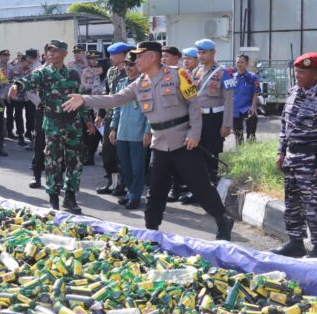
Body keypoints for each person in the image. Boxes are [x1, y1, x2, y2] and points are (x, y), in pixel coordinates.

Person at [62, 41, 234, 240]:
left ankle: (222, 221)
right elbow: (115, 99)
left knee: (200, 186)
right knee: (155, 190)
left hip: (183, 142)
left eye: (139, 56)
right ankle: (151, 231)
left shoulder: (178, 75)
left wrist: (194, 133)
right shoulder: (139, 83)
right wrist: (85, 99)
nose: (135, 60)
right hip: (159, 143)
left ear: (152, 57)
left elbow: (194, 104)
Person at [9, 40, 94, 214]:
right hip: (53, 124)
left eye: (55, 51)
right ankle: (53, 199)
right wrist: (17, 85)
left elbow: (81, 99)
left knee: (75, 162)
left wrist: (88, 120)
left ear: (64, 53)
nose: (51, 53)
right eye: (49, 50)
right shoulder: (42, 73)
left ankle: (70, 197)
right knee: (53, 162)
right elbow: (28, 80)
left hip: (73, 124)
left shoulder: (73, 74)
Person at [272, 53, 317, 261]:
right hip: (292, 157)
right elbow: (285, 125)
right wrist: (281, 151)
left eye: (302, 72)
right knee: (292, 204)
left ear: (316, 73)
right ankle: (295, 243)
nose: (298, 75)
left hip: (312, 160)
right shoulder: (293, 92)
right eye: (297, 71)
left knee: (316, 206)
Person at [109, 56, 151, 210]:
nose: (128, 68)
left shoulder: (146, 83)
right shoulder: (121, 83)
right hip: (122, 131)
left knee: (137, 167)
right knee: (125, 166)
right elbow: (117, 107)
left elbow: (151, 111)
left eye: (131, 65)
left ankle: (135, 196)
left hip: (138, 132)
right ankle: (130, 193)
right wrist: (113, 128)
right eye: (126, 64)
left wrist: (148, 131)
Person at [192, 39, 234, 185]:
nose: (201, 55)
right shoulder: (196, 72)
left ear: (213, 53)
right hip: (197, 119)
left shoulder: (224, 72)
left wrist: (227, 124)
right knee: (196, 154)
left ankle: (210, 186)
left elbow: (229, 100)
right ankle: (199, 189)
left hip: (214, 118)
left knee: (211, 154)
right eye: (199, 52)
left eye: (204, 52)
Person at [96, 42, 131, 196]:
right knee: (107, 151)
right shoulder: (111, 71)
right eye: (110, 55)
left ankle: (122, 184)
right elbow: (107, 94)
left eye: (114, 55)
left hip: (125, 116)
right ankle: (111, 182)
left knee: (121, 153)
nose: (111, 58)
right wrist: (100, 114)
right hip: (111, 116)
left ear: (124, 56)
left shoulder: (131, 72)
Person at [168, 46, 199, 203]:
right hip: (178, 123)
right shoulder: (173, 75)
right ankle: (176, 188)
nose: (186, 61)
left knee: (189, 160)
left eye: (190, 58)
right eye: (185, 58)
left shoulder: (184, 74)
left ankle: (191, 190)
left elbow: (193, 102)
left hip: (190, 123)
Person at [79, 59, 105, 165]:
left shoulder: (108, 79)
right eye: (94, 68)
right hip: (96, 112)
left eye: (98, 67)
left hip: (107, 112)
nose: (95, 70)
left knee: (105, 139)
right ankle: (90, 158)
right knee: (93, 136)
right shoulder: (96, 78)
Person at [233, 54, 260, 145]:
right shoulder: (232, 77)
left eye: (242, 62)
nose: (239, 64)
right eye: (238, 62)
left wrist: (253, 107)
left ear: (247, 63)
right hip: (235, 109)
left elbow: (255, 93)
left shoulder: (253, 77)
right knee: (238, 134)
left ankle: (251, 150)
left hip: (248, 107)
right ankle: (240, 151)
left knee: (251, 132)